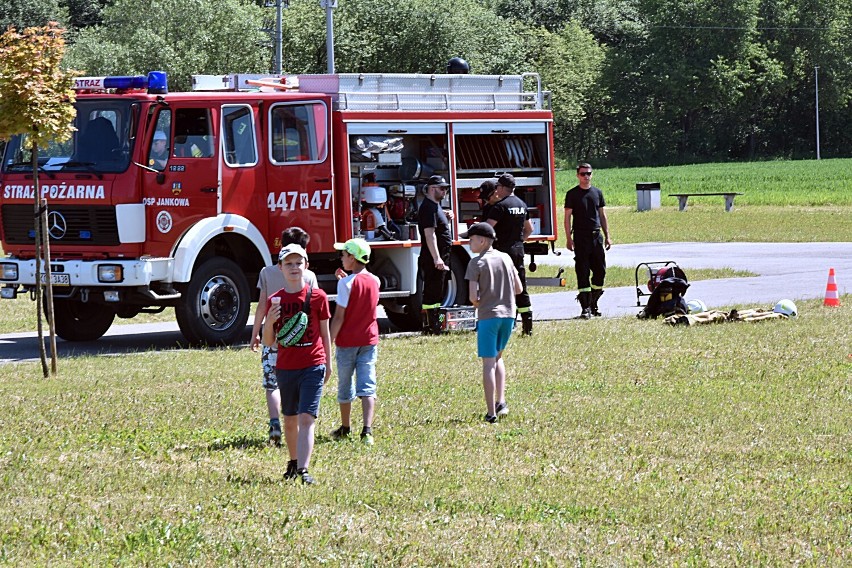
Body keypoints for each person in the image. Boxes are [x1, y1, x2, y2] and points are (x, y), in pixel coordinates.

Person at [262, 244, 331, 485]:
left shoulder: (318, 297)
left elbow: (325, 333)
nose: (294, 267)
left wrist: (328, 364)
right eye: (288, 263)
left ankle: (303, 470)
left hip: (313, 364)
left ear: (306, 266)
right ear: (279, 268)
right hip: (286, 367)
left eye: (298, 263)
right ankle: (292, 462)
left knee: (306, 418)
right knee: (290, 419)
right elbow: (269, 342)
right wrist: (268, 321)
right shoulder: (275, 299)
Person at [251, 227, 317, 446]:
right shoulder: (309, 275)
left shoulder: (267, 272)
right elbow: (313, 309)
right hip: (299, 341)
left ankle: (274, 425)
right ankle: (297, 424)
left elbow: (262, 306)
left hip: (273, 335)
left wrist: (255, 333)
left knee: (272, 383)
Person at [464, 222, 522, 423]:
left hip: (489, 317)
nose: (469, 243)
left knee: (488, 362)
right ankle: (502, 402)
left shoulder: (475, 263)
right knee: (498, 357)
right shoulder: (506, 258)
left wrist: (480, 301)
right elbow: (519, 289)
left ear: (482, 240)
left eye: (471, 239)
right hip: (509, 316)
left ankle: (491, 413)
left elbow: (472, 297)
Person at [329, 238, 381, 445]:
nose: (341, 258)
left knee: (345, 385)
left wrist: (330, 339)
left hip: (347, 342)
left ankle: (346, 427)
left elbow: (340, 316)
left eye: (343, 255)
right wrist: (346, 279)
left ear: (352, 257)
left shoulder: (345, 283)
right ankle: (367, 431)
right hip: (369, 340)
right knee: (367, 384)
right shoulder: (375, 280)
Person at [486, 173, 534, 335]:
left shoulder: (500, 207)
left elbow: (487, 229)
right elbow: (529, 229)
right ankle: (527, 326)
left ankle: (505, 324)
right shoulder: (522, 204)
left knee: (501, 288)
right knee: (520, 286)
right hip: (518, 250)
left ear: (501, 188)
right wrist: (519, 241)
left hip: (502, 251)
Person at [564, 163, 612, 319]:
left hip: (596, 236)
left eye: (588, 173)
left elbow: (602, 216)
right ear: (578, 175)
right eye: (583, 174)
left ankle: (593, 303)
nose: (586, 176)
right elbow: (567, 218)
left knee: (600, 271)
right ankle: (585, 308)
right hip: (580, 236)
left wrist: (607, 236)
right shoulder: (572, 194)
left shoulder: (597, 193)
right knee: (583, 271)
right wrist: (568, 239)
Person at [417, 175, 453, 335]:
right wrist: (436, 258)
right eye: (442, 188)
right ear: (432, 189)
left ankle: (433, 325)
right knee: (433, 294)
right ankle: (432, 327)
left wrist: (445, 217)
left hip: (441, 256)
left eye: (446, 188)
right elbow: (429, 234)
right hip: (434, 258)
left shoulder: (435, 206)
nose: (445, 191)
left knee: (438, 293)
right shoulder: (429, 208)